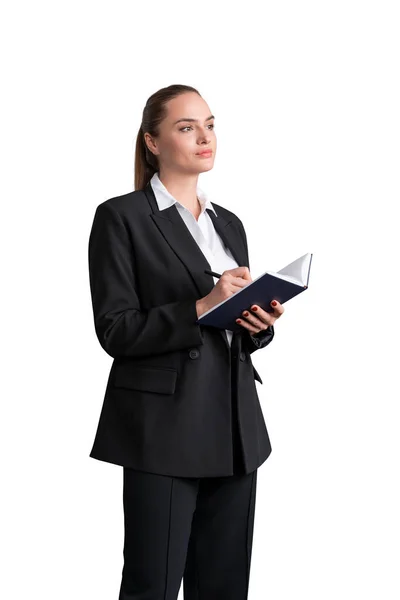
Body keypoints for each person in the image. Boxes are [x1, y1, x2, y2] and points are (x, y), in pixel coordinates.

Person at [88, 84, 284, 600]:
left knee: (223, 587)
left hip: (235, 427)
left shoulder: (230, 223)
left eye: (211, 124)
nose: (205, 137)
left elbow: (233, 327)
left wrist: (258, 322)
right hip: (164, 429)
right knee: (152, 585)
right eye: (186, 126)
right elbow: (115, 329)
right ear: (152, 142)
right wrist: (201, 307)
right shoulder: (121, 217)